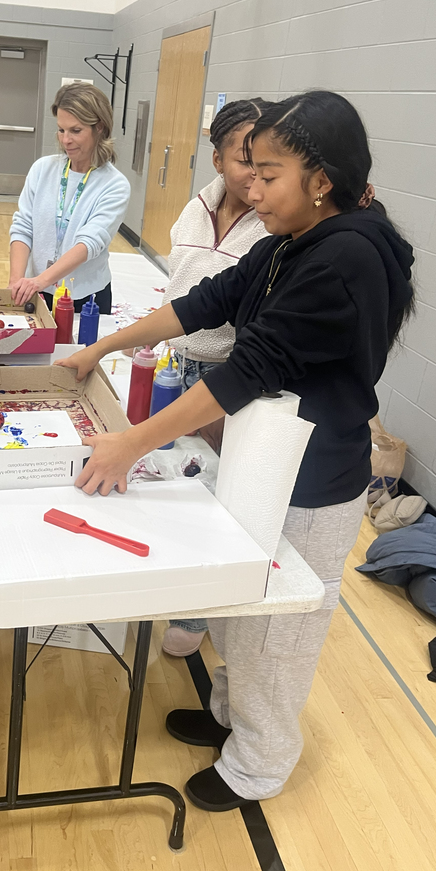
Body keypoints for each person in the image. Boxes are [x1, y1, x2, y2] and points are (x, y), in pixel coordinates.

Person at [56, 91, 415, 811]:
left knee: (280, 633)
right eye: (250, 170)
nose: (252, 188)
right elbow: (206, 301)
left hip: (312, 478)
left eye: (270, 173)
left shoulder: (345, 257)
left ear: (322, 179)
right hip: (264, 462)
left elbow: (245, 372)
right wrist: (99, 346)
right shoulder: (294, 239)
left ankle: (260, 764)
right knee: (241, 608)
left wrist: (129, 443)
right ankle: (228, 715)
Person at [161, 98, 272, 659]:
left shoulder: (273, 223)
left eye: (265, 159)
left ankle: (195, 610)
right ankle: (162, 577)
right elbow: (181, 284)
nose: (254, 171)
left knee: (212, 491)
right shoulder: (196, 205)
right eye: (243, 157)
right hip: (173, 359)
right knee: (164, 476)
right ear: (217, 158)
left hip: (226, 374)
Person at [9, 83, 130, 314]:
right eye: (61, 130)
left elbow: (89, 243)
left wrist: (39, 281)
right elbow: (23, 226)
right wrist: (17, 281)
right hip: (36, 289)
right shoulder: (42, 169)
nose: (66, 140)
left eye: (76, 131)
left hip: (85, 297)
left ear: (100, 128)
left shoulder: (114, 185)